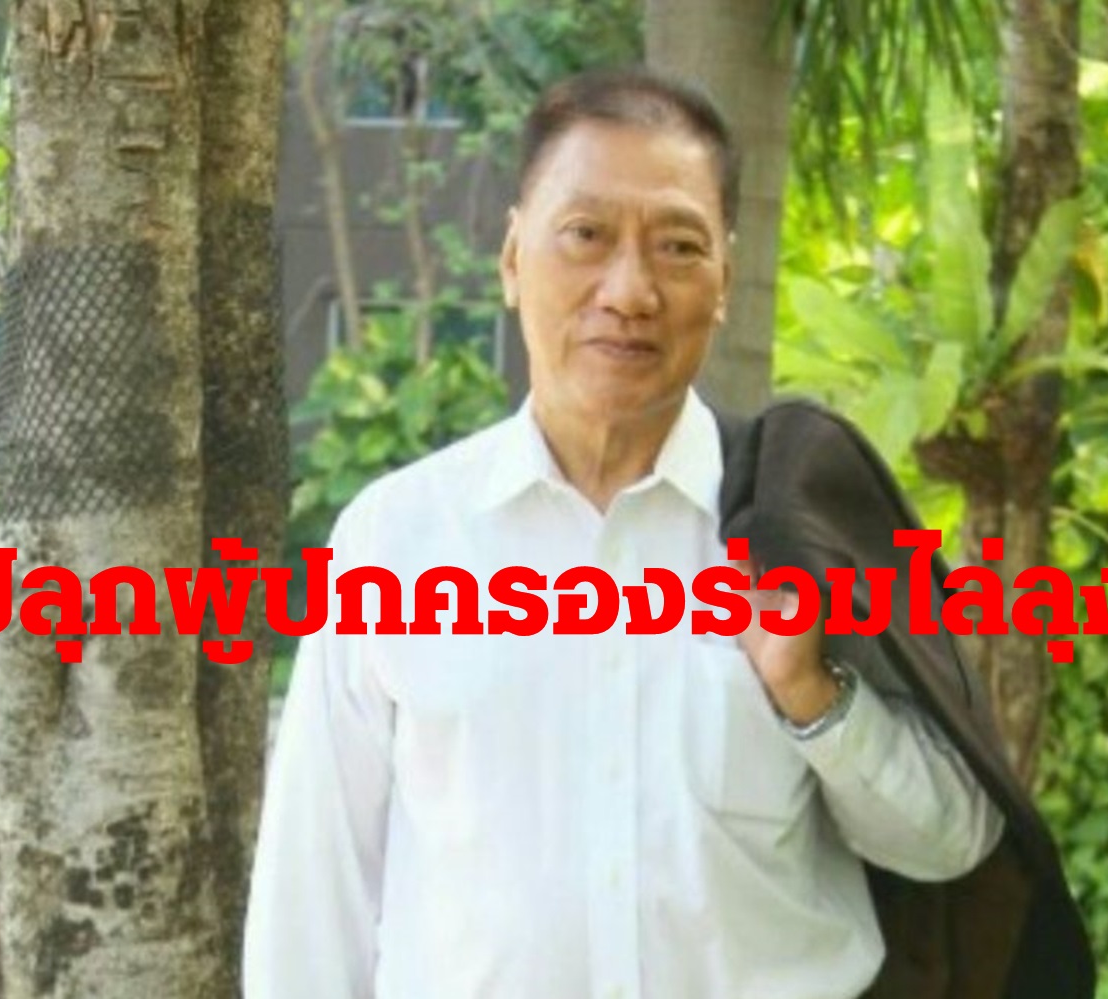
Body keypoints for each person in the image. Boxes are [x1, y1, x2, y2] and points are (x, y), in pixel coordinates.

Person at [242, 67, 1005, 999]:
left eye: (678, 246)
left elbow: (953, 840)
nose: (630, 289)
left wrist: (811, 694)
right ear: (514, 257)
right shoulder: (397, 540)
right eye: (586, 235)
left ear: (724, 279)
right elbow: (313, 898)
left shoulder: (796, 522)